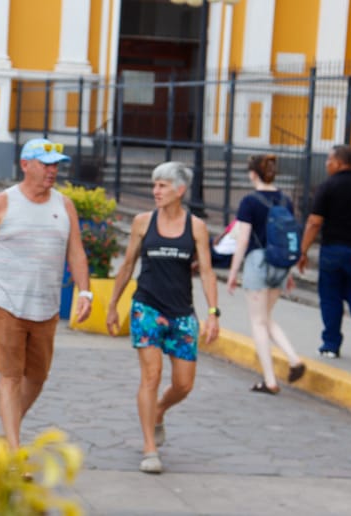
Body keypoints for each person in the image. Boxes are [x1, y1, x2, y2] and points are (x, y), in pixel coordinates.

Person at [0, 138, 92, 450]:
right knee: (11, 376)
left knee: (37, 376)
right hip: (6, 302)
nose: (52, 171)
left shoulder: (64, 205)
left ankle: (9, 432)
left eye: (56, 165)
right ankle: (14, 452)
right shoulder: (2, 203)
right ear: (25, 165)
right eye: (45, 164)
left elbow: (76, 251)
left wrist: (85, 292)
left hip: (46, 306)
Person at [105, 161, 220, 475]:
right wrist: (113, 304)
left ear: (179, 190)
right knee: (151, 376)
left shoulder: (196, 227)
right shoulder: (143, 222)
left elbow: (207, 272)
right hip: (147, 307)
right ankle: (149, 448)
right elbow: (128, 265)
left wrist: (213, 313)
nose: (155, 191)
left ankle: (158, 409)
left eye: (162, 186)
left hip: (181, 312)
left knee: (183, 384)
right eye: (154, 185)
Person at [227, 154, 306, 394]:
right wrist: (288, 273)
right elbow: (287, 238)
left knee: (258, 323)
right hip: (280, 264)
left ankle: (270, 380)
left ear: (253, 174)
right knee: (266, 318)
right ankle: (294, 359)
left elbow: (243, 240)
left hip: (257, 263)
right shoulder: (285, 200)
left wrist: (233, 272)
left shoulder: (249, 201)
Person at [298, 145, 351, 359]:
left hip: (332, 249)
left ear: (339, 163)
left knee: (330, 297)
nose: (326, 164)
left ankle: (331, 344)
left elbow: (314, 222)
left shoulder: (327, 186)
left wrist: (303, 251)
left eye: (329, 160)